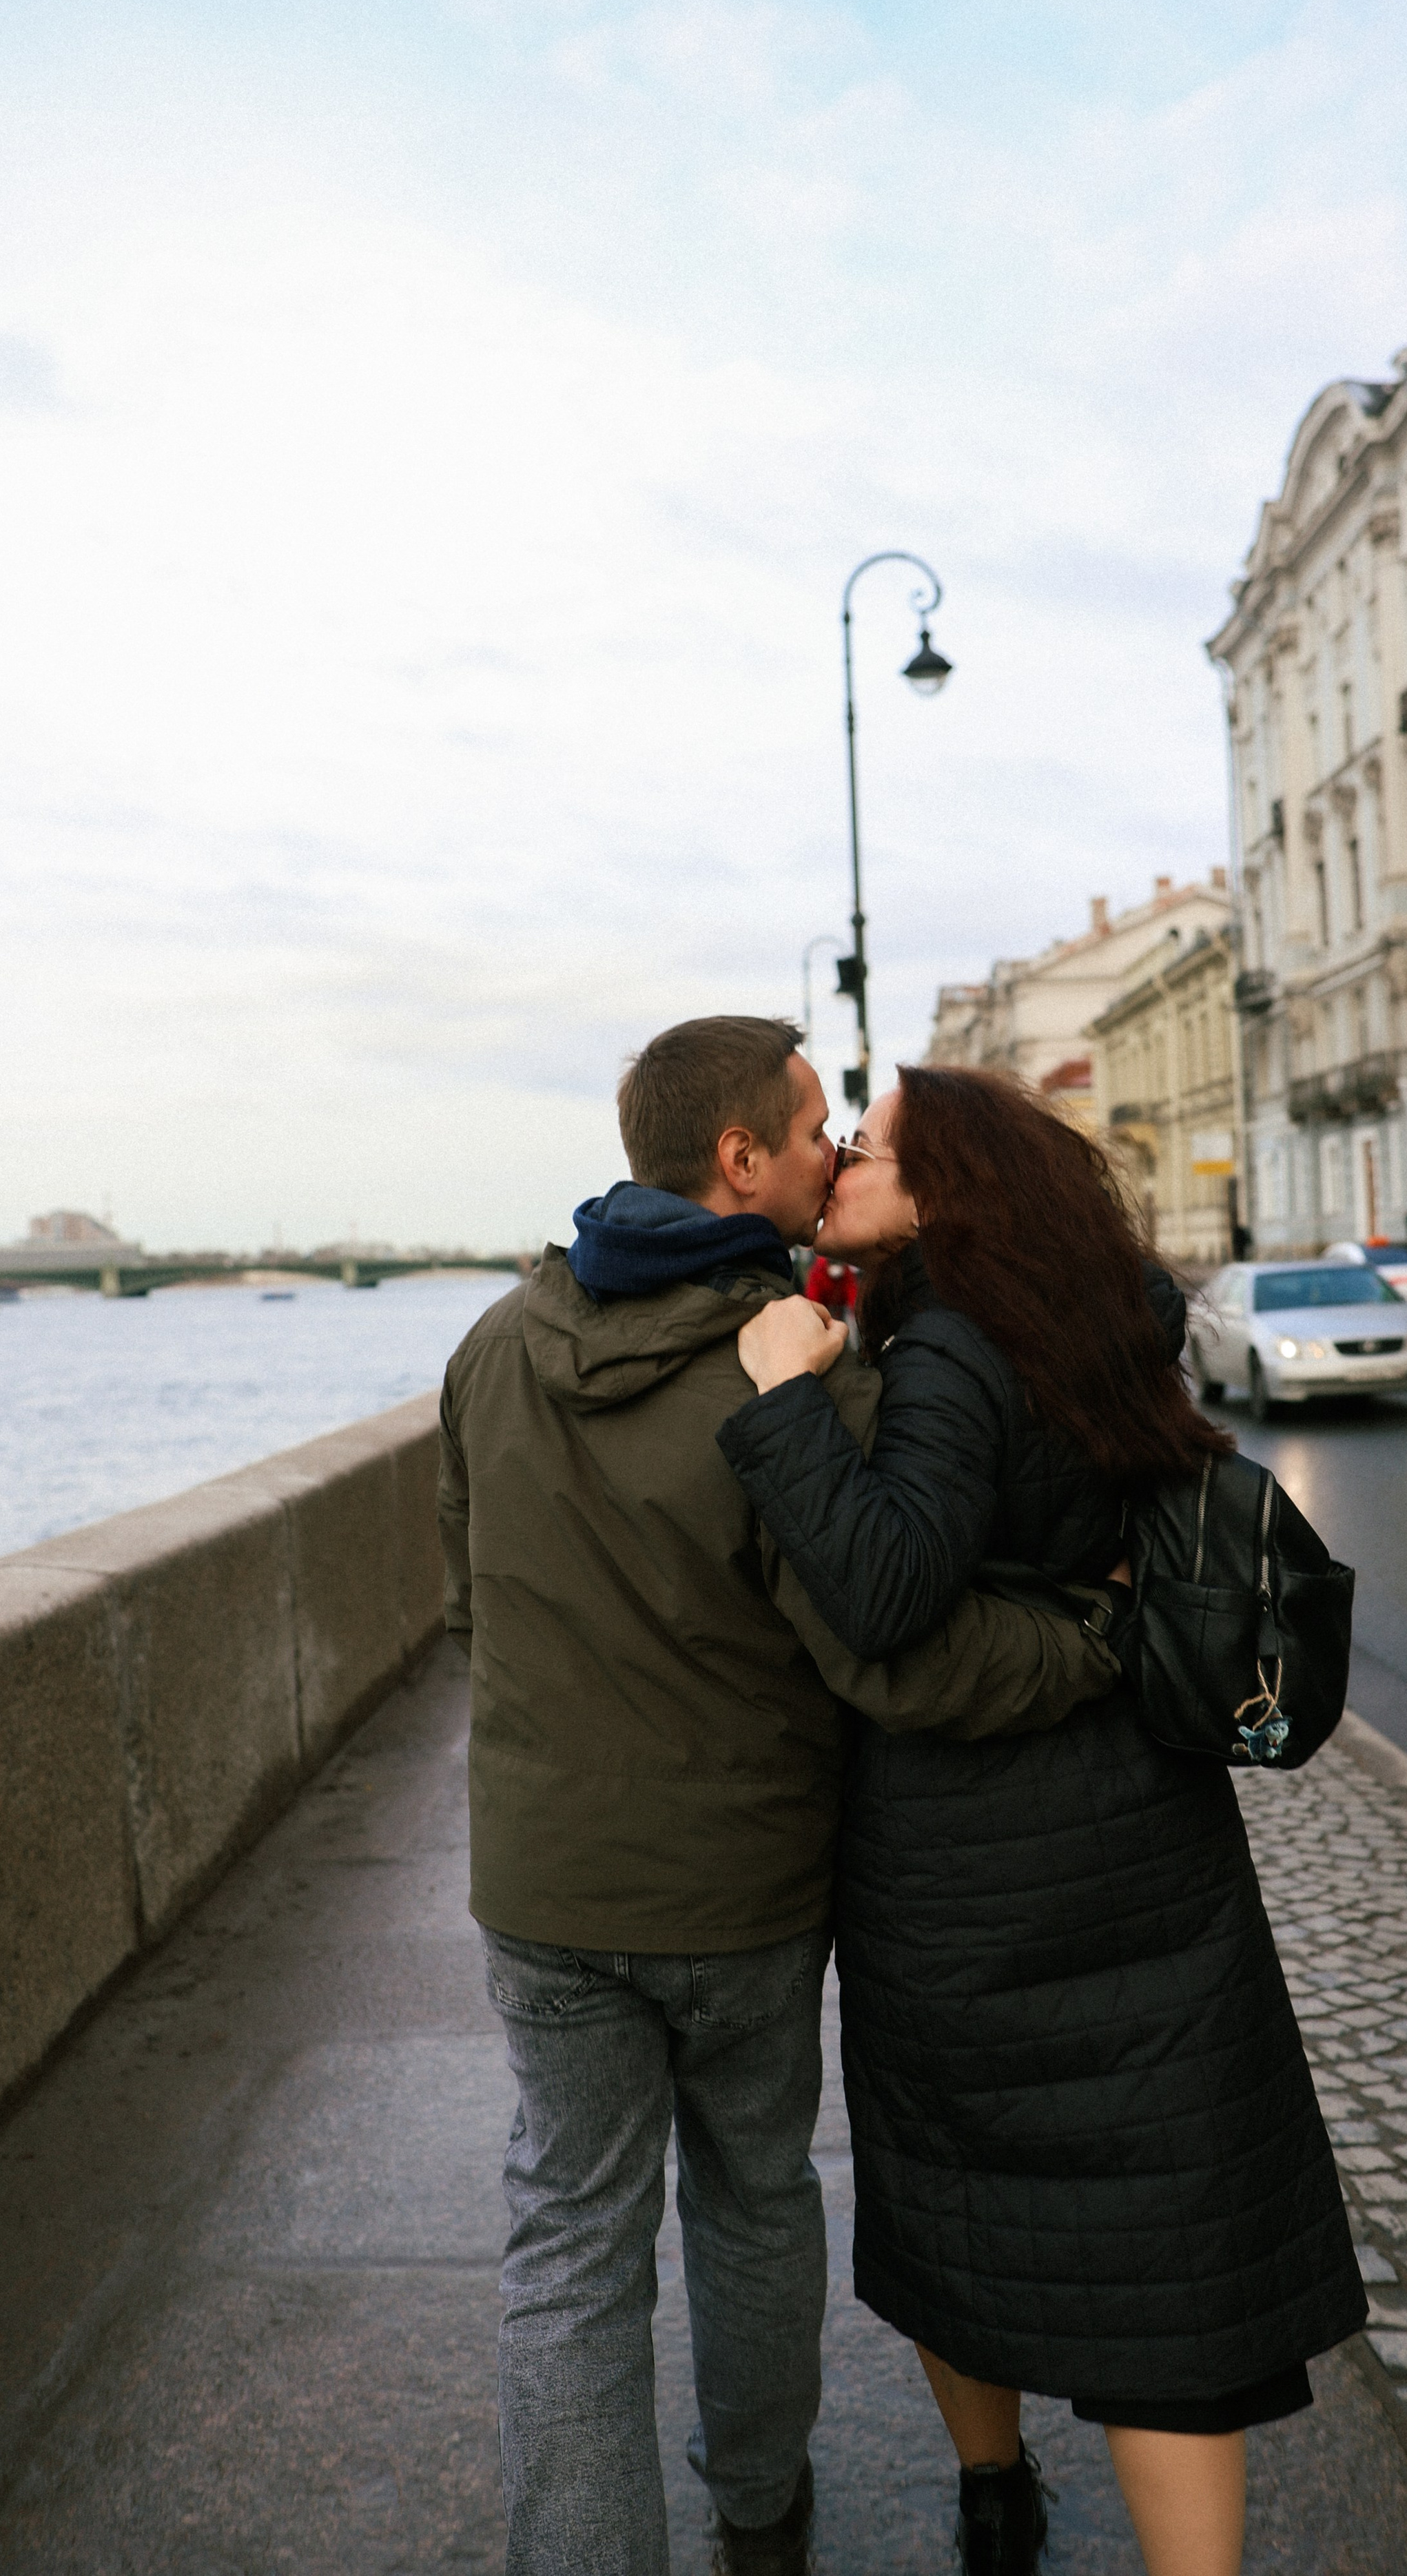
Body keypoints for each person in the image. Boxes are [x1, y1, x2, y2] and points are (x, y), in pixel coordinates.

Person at [438, 1018, 1122, 2576]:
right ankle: (759, 2509)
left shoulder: (492, 1344)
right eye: (815, 1125)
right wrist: (1091, 1639)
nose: (834, 1151)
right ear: (736, 1158)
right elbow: (899, 1653)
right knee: (750, 2193)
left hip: (542, 1887)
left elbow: (466, 1605)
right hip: (737, 1890)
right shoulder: (795, 1362)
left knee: (564, 2244)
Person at [717, 1065, 1366, 2576]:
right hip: (1144, 1834)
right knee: (1164, 2259)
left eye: (872, 1143)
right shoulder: (1105, 1325)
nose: (848, 1159)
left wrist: (778, 1404)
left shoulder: (945, 1342)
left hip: (963, 1863)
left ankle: (992, 2490)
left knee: (963, 2205)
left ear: (950, 1188)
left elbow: (884, 1590)